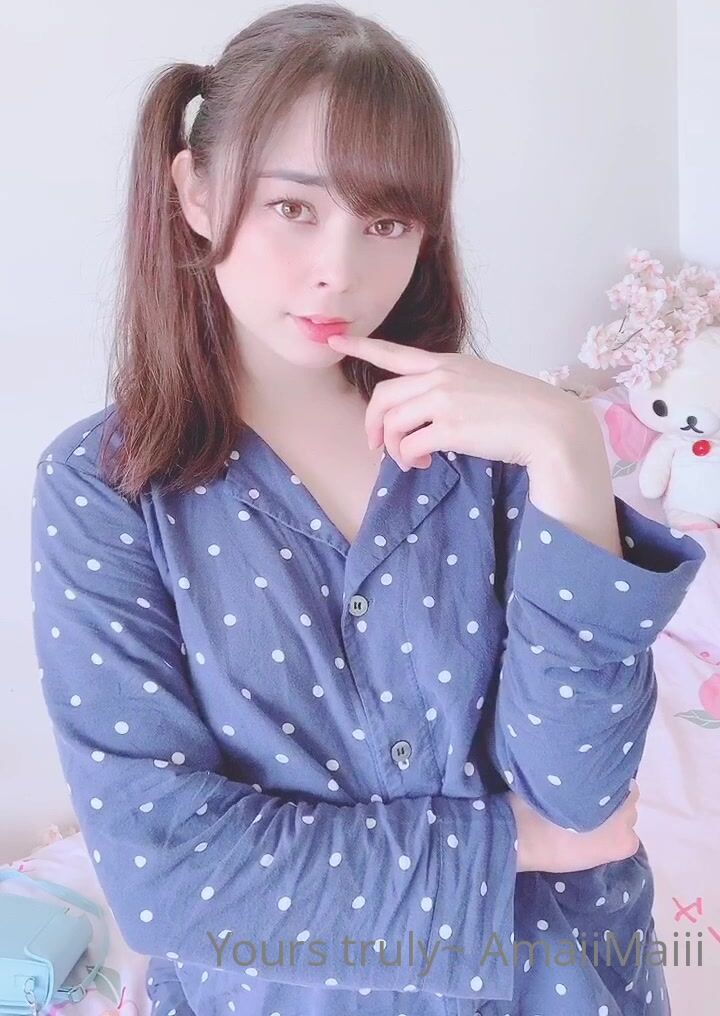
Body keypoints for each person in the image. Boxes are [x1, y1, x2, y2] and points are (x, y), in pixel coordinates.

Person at [29, 4, 706, 1015]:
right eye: (293, 206)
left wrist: (570, 449)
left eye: (385, 222)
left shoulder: (494, 444)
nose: (339, 270)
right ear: (196, 192)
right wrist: (514, 843)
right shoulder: (104, 488)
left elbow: (581, 792)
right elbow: (168, 876)